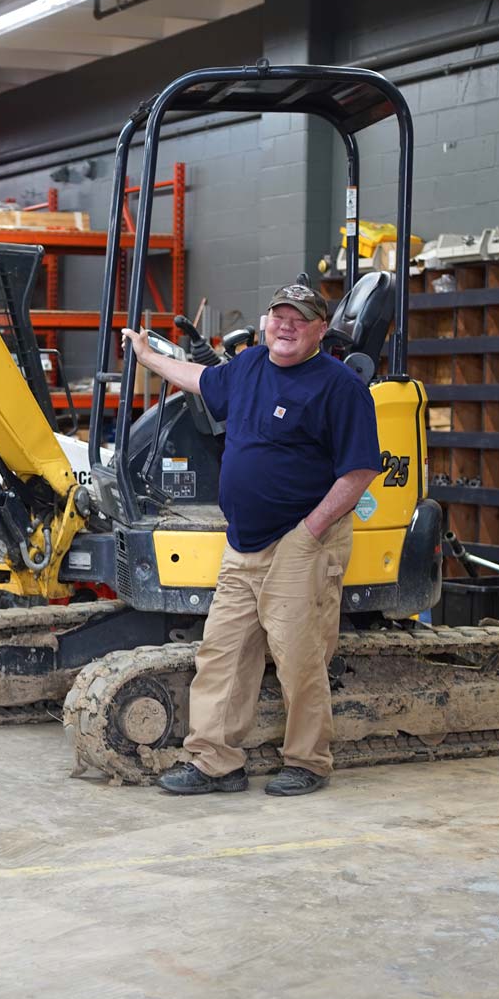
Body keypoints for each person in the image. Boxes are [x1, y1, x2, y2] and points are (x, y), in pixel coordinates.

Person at [123, 282, 382, 797]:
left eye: (299, 318)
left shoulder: (338, 386)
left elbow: (358, 471)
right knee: (222, 652)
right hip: (243, 541)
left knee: (298, 655)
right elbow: (200, 379)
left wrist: (310, 532)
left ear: (320, 330)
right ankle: (215, 762)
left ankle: (308, 761)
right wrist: (149, 356)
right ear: (266, 322)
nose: (286, 326)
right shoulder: (248, 366)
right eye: (278, 316)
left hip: (302, 538)